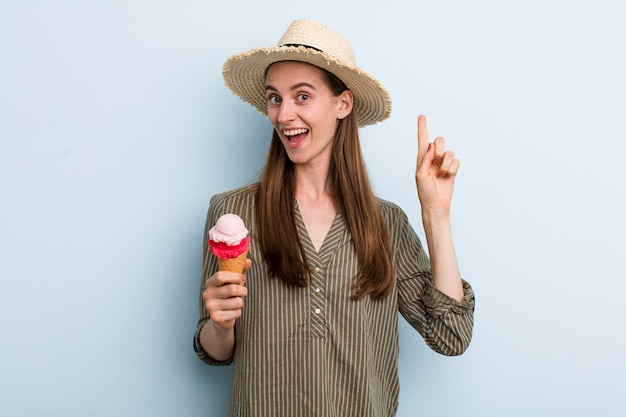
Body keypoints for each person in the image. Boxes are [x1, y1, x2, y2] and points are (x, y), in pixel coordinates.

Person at [194, 19, 475, 417]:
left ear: (343, 104)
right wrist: (219, 326)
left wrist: (436, 213)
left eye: (302, 96)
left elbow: (451, 335)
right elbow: (214, 351)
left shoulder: (387, 223)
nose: (283, 113)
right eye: (275, 99)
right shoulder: (232, 213)